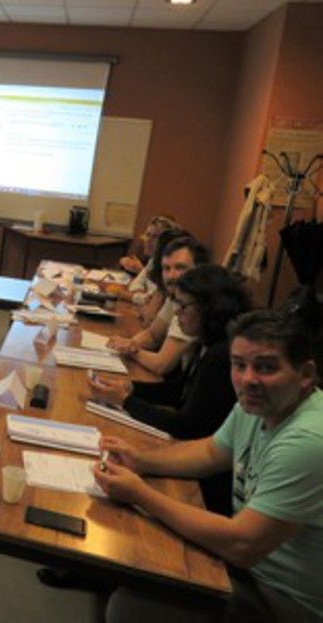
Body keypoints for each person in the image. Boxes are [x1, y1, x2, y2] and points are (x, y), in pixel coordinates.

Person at [96, 310, 323, 622]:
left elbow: (242, 545)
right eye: (239, 365)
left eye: (266, 367)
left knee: (130, 608)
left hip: (282, 599)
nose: (248, 379)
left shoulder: (309, 440)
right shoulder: (258, 404)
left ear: (306, 374)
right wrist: (141, 460)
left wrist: (141, 495)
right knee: (135, 551)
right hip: (250, 569)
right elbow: (210, 452)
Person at [89, 265, 251, 515]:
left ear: (209, 308)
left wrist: (127, 401)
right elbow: (179, 391)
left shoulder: (221, 355)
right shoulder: (207, 342)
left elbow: (186, 424)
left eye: (183, 306)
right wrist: (130, 387)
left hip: (205, 483)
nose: (176, 312)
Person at [109, 235, 209, 376]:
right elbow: (153, 335)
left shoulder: (194, 306)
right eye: (166, 268)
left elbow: (162, 364)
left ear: (199, 269)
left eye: (180, 267)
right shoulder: (175, 296)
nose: (171, 275)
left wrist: (130, 350)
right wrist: (130, 343)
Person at [122, 215, 181, 307]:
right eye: (148, 235)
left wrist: (131, 296)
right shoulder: (153, 260)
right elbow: (135, 285)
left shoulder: (170, 267)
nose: (148, 240)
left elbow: (154, 302)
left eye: (155, 237)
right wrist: (141, 296)